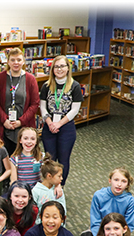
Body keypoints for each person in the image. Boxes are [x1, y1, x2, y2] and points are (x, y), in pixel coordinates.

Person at [40, 55, 83, 185]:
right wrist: (50, 123)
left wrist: (59, 123)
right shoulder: (46, 86)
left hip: (66, 128)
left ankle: (60, 187)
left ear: (68, 68)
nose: (59, 69)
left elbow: (75, 110)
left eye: (62, 66)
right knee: (50, 160)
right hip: (49, 127)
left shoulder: (75, 86)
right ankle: (48, 185)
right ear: (52, 69)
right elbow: (42, 107)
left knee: (64, 160)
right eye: (56, 67)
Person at [79, 167, 134, 236]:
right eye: (116, 180)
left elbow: (128, 225)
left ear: (127, 184)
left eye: (123, 181)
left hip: (118, 235)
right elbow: (95, 221)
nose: (119, 184)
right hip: (100, 232)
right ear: (110, 180)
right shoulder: (98, 195)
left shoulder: (130, 201)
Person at [0, 48, 40, 156]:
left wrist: (21, 121)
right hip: (3, 126)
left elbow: (35, 103)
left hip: (24, 126)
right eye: (12, 60)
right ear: (8, 62)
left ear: (23, 61)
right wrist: (4, 120)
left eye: (19, 59)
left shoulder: (30, 79)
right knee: (4, 158)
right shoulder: (0, 78)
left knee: (23, 159)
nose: (16, 63)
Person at [32, 154, 66, 223]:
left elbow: (63, 210)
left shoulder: (58, 190)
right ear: (49, 176)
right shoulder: (35, 191)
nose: (62, 178)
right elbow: (33, 213)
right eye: (59, 176)